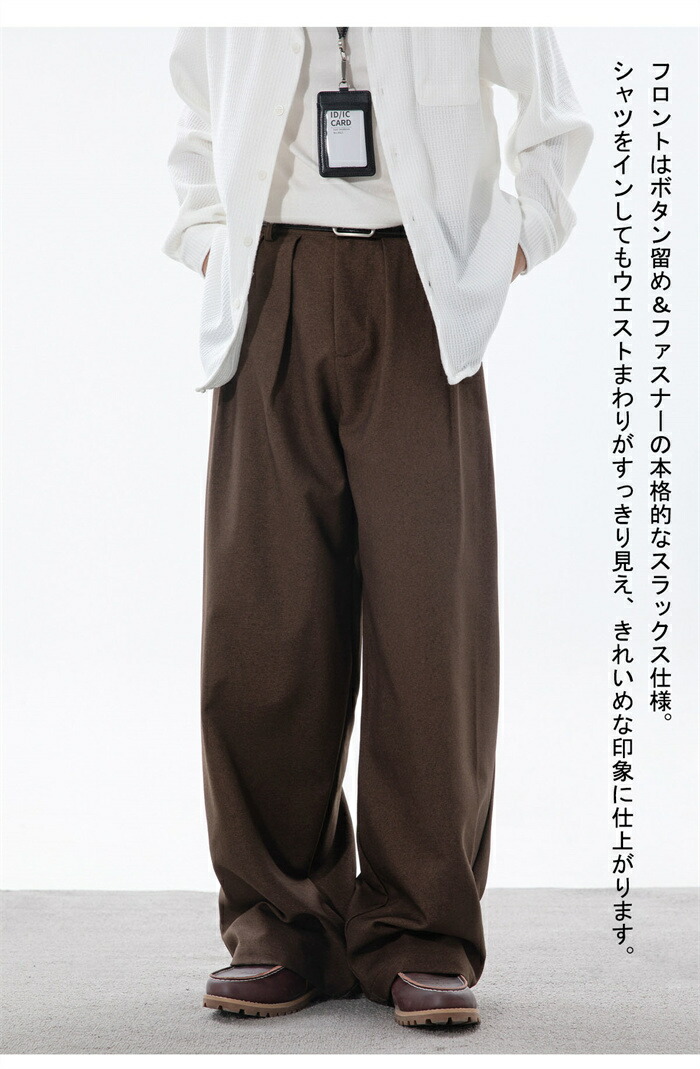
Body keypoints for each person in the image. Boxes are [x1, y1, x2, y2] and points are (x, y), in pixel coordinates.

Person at [163, 26, 593, 1029]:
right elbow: (192, 111)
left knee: (429, 629)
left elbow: (556, 122)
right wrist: (212, 243)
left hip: (420, 289)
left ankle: (421, 930)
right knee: (263, 625)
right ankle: (281, 924)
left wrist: (505, 249)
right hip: (269, 282)